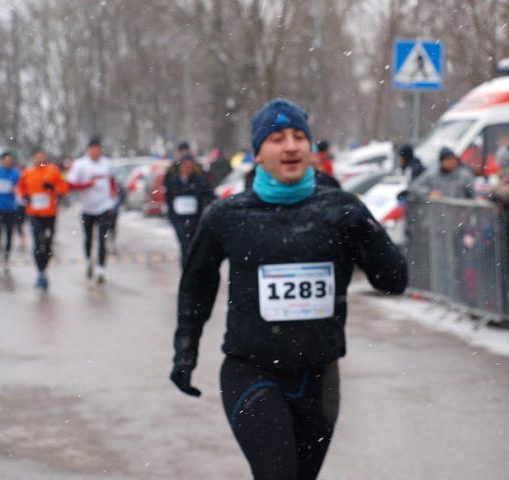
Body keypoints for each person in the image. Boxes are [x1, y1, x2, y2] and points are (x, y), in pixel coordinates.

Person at [170, 98, 407, 479]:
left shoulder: (339, 210)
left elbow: (394, 281)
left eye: (299, 137)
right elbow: (197, 285)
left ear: (310, 147)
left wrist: (368, 230)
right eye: (277, 138)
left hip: (319, 377)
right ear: (258, 154)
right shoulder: (228, 216)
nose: (291, 146)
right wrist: (185, 350)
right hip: (252, 372)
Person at [66, 137, 118, 284]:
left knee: (102, 239)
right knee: (88, 239)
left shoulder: (107, 163)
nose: (96, 152)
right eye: (93, 149)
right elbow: (70, 185)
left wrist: (113, 197)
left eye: (98, 149)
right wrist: (88, 184)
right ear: (88, 150)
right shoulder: (80, 165)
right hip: (87, 209)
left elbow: (112, 181)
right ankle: (89, 261)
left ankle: (101, 270)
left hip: (104, 208)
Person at [17, 147, 69, 289]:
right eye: (37, 156)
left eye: (42, 156)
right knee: (37, 242)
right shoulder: (27, 172)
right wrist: (24, 196)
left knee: (47, 244)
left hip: (50, 213)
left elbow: (64, 189)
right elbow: (20, 188)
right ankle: (40, 272)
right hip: (34, 213)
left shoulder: (53, 171)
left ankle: (44, 268)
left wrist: (52, 188)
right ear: (33, 157)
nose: (39, 158)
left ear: (45, 157)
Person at [164, 153, 215, 264]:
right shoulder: (173, 181)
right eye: (186, 166)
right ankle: (186, 268)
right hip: (179, 220)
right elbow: (169, 199)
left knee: (195, 246)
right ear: (181, 166)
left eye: (190, 166)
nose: (188, 168)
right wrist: (172, 217)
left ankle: (193, 268)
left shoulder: (199, 180)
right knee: (184, 245)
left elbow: (209, 195)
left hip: (195, 220)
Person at [409, 147, 475, 200]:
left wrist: (466, 209)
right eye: (448, 159)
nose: (451, 162)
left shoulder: (465, 176)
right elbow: (414, 187)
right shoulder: (432, 174)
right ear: (441, 162)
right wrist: (429, 193)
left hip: (457, 211)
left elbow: (472, 195)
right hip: (436, 210)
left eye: (453, 159)